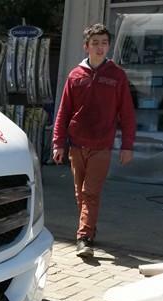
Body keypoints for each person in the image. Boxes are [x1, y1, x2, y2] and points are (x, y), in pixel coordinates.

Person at [52, 23, 136, 258]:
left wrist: (127, 145)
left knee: (90, 193)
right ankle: (88, 229)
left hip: (102, 145)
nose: (100, 48)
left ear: (108, 46)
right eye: (95, 43)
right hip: (76, 144)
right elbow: (63, 111)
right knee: (80, 194)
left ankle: (84, 237)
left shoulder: (117, 75)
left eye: (104, 43)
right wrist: (58, 142)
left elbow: (127, 113)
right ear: (86, 46)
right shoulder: (75, 75)